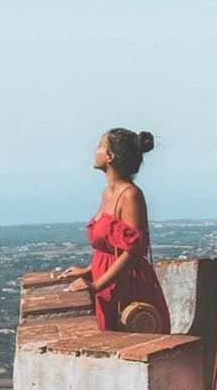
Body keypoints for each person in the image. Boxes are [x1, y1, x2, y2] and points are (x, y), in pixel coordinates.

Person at [61, 128, 171, 333]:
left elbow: (132, 252)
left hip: (126, 284)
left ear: (111, 156)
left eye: (100, 146)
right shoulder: (107, 193)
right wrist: (88, 271)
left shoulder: (130, 196)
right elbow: (109, 248)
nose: (95, 150)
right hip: (106, 279)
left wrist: (95, 286)